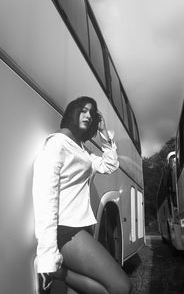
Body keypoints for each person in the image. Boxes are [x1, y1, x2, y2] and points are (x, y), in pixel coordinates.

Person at [32, 96, 131, 294]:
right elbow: (46, 198)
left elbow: (110, 164)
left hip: (80, 229)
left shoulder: (82, 151)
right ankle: (59, 273)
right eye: (83, 110)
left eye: (92, 114)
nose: (88, 115)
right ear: (72, 111)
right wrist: (48, 254)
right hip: (65, 232)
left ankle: (62, 274)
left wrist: (103, 132)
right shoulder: (56, 144)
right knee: (121, 287)